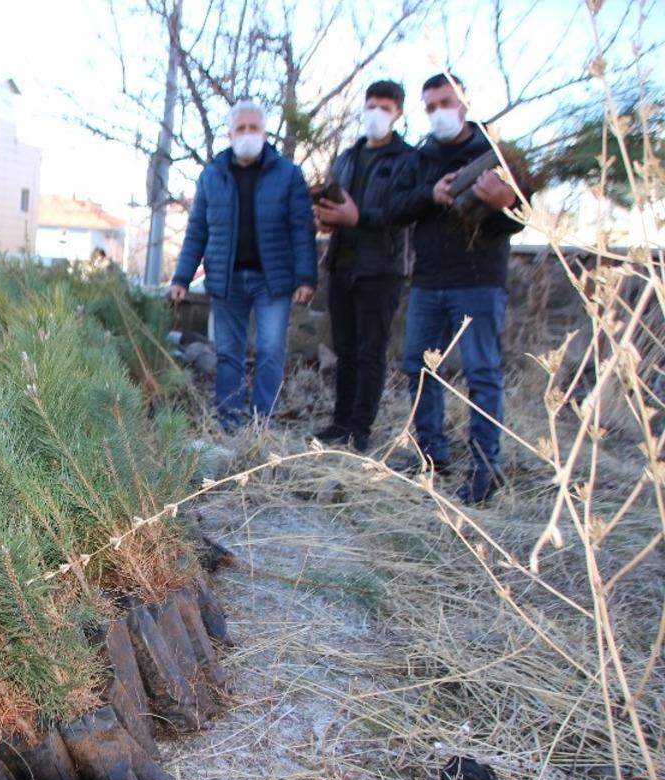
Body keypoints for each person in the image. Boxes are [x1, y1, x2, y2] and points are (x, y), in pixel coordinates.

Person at [385, 73, 525, 504]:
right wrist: (432, 194)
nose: (437, 112)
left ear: (463, 102)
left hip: (479, 281)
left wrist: (505, 202)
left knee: (482, 375)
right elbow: (394, 207)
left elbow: (522, 217)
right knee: (420, 369)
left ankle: (485, 469)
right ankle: (431, 456)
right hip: (428, 280)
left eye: (444, 102)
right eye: (429, 106)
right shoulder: (420, 158)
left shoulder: (494, 152)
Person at [169, 99, 317, 430]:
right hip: (226, 279)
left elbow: (302, 228)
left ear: (264, 133)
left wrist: (306, 276)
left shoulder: (289, 175)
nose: (247, 134)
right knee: (228, 354)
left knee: (269, 350)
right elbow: (197, 231)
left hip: (273, 280)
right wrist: (181, 277)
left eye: (254, 128)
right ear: (230, 133)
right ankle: (229, 421)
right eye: (241, 128)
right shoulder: (212, 177)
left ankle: (263, 422)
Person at [312, 80, 414, 452]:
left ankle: (360, 429)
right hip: (342, 264)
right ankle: (340, 422)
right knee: (345, 349)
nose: (377, 113)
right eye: (372, 105)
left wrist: (359, 217)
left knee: (371, 351)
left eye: (385, 107)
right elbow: (333, 200)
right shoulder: (347, 157)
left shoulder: (407, 160)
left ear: (398, 113)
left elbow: (404, 212)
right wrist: (326, 217)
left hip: (382, 268)